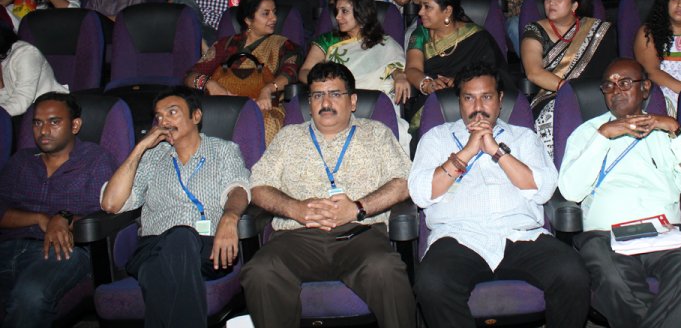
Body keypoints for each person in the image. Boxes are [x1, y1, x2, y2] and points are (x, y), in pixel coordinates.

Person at [409, 62, 590, 328]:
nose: (477, 106)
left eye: (487, 97)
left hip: (521, 234)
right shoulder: (436, 138)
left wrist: (497, 151)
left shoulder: (524, 137)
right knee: (431, 283)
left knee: (572, 273)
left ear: (500, 100)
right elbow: (421, 194)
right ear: (458, 101)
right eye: (469, 98)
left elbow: (543, 189)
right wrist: (468, 151)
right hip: (458, 236)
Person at [240, 61, 416, 327]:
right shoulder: (289, 137)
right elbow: (258, 186)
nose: (325, 102)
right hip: (297, 237)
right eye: (317, 95)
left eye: (335, 94)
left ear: (353, 101)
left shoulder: (376, 134)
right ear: (309, 103)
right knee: (260, 271)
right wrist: (295, 209)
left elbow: (403, 182)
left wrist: (357, 207)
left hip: (359, 235)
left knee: (386, 271)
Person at [558, 59, 681, 328]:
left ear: (646, 88)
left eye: (625, 82)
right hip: (606, 236)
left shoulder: (667, 132)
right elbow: (570, 191)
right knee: (616, 281)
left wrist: (675, 132)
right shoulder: (587, 133)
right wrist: (603, 136)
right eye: (609, 85)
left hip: (663, 233)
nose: (616, 90)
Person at [99, 86, 251, 328]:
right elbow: (110, 203)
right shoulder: (151, 157)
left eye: (172, 113)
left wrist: (230, 217)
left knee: (160, 268)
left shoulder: (223, 150)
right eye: (158, 117)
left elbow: (238, 188)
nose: (164, 121)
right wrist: (139, 149)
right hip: (151, 246)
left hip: (206, 249)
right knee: (171, 249)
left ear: (196, 116)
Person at [0, 92, 116, 328]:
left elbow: (106, 215)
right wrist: (41, 219)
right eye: (37, 123)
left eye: (54, 122)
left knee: (30, 295)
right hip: (9, 245)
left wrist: (63, 218)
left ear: (75, 125)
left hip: (66, 251)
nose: (43, 131)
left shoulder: (95, 160)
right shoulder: (21, 161)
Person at [184, 0, 300, 144]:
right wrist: (209, 83)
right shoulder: (226, 44)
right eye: (266, 14)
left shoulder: (284, 45)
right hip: (223, 106)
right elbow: (191, 77)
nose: (274, 18)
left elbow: (289, 73)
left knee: (264, 125)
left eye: (274, 13)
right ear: (248, 20)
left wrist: (268, 89)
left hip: (262, 106)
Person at [299, 0, 409, 145]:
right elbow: (305, 71)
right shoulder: (328, 40)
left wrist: (400, 76)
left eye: (344, 11)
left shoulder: (384, 42)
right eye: (337, 11)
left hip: (374, 107)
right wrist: (322, 83)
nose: (337, 17)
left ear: (361, 12)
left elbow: (395, 66)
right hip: (333, 101)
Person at [522, 0, 614, 155]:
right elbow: (533, 72)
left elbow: (609, 72)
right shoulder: (534, 30)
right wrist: (572, 93)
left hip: (596, 95)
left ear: (574, 5)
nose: (551, 3)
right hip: (552, 96)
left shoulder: (598, 31)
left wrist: (586, 95)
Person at [405, 0, 509, 134]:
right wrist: (427, 84)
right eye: (421, 6)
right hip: (432, 99)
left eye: (427, 7)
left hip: (475, 98)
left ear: (447, 11)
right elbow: (412, 69)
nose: (420, 12)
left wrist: (461, 81)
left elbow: (494, 72)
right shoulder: (420, 34)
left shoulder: (477, 37)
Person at [0, 24, 68, 116]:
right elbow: (7, 96)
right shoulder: (3, 57)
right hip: (21, 113)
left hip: (48, 112)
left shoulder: (26, 53)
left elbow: (22, 100)